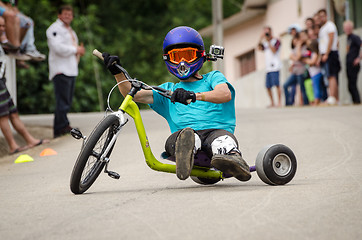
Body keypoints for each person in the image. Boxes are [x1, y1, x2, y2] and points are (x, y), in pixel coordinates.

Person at [102, 26, 251, 182]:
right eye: (176, 57)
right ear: (168, 59)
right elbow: (132, 94)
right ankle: (186, 153)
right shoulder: (168, 91)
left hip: (216, 133)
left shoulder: (213, 77)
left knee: (222, 141)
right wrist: (117, 73)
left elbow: (224, 94)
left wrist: (194, 96)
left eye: (188, 55)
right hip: (187, 138)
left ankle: (232, 160)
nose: (182, 62)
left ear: (200, 55)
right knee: (185, 137)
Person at [0, 16, 47, 154]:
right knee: (3, 116)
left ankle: (29, 140)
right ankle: (13, 146)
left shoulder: (2, 43)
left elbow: (15, 48)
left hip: (2, 82)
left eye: (3, 26)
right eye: (0, 26)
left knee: (13, 113)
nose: (3, 29)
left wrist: (24, 29)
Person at [46, 5, 85, 138]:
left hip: (70, 68)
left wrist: (78, 51)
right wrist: (76, 50)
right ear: (59, 15)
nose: (68, 16)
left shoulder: (71, 31)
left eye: (70, 14)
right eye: (65, 14)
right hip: (61, 69)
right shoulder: (54, 29)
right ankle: (60, 127)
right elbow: (57, 47)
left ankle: (63, 124)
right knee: (62, 100)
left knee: (67, 99)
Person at [318, 8, 341, 105]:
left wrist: (327, 53)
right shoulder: (322, 28)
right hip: (326, 53)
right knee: (329, 75)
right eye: (320, 17)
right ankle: (334, 98)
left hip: (330, 53)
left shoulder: (330, 25)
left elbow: (331, 39)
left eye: (323, 16)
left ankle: (332, 97)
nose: (321, 18)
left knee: (332, 75)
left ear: (326, 16)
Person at [258, 26, 282, 107]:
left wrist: (269, 41)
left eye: (267, 32)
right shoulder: (264, 43)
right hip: (268, 68)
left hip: (275, 66)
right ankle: (272, 102)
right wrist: (260, 38)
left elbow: (274, 51)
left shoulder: (276, 41)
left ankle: (279, 102)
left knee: (277, 85)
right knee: (268, 86)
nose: (266, 34)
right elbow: (258, 48)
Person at [283, 31, 309, 106]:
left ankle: (306, 104)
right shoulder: (294, 50)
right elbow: (292, 57)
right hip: (295, 71)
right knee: (285, 85)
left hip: (301, 71)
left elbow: (298, 57)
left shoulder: (304, 48)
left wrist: (298, 47)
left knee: (302, 88)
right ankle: (288, 104)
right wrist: (297, 57)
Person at [343, 20, 361, 104]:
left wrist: (359, 58)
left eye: (348, 28)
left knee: (352, 84)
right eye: (346, 28)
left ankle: (357, 101)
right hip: (349, 64)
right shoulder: (348, 38)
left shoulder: (354, 37)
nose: (347, 29)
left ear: (352, 28)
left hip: (354, 64)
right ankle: (355, 101)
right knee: (350, 85)